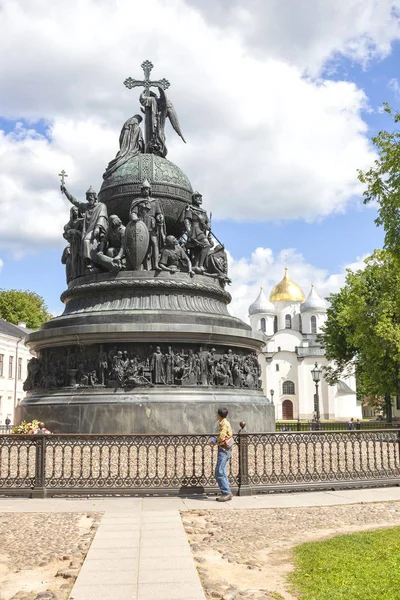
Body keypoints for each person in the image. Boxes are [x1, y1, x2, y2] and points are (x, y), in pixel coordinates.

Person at [209, 407, 233, 502]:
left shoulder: (224, 424)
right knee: (222, 471)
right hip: (226, 449)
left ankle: (226, 492)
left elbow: (222, 437)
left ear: (219, 415)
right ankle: (227, 492)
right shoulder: (226, 422)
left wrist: (213, 441)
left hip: (223, 449)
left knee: (219, 472)